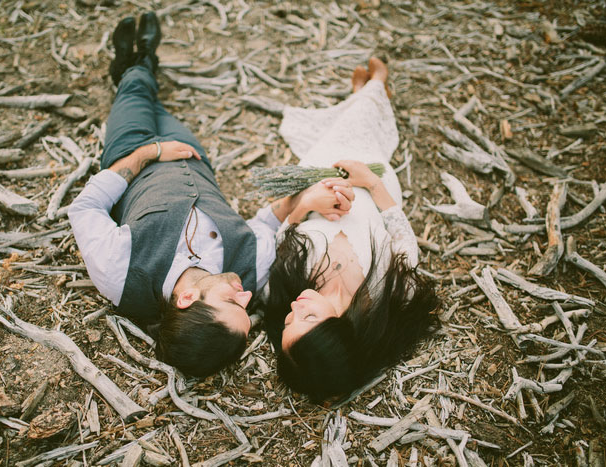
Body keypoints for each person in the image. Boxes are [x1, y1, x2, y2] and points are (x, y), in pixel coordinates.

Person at [68, 12, 355, 378]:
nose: (247, 296)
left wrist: (146, 155)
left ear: (186, 300)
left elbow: (85, 207)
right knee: (152, 102)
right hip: (192, 155)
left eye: (232, 302)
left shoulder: (120, 272)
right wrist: (308, 198)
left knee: (138, 92)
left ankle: (136, 61)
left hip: (132, 149)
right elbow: (267, 222)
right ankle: (134, 66)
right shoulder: (250, 271)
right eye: (246, 309)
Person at [262, 58, 439, 402]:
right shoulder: (390, 291)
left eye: (287, 323)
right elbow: (399, 230)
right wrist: (370, 182)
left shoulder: (284, 287)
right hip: (371, 182)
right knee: (359, 130)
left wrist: (309, 202)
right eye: (307, 316)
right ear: (340, 325)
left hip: (317, 178)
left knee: (339, 136)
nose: (294, 307)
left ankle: (363, 94)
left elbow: (285, 234)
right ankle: (376, 86)